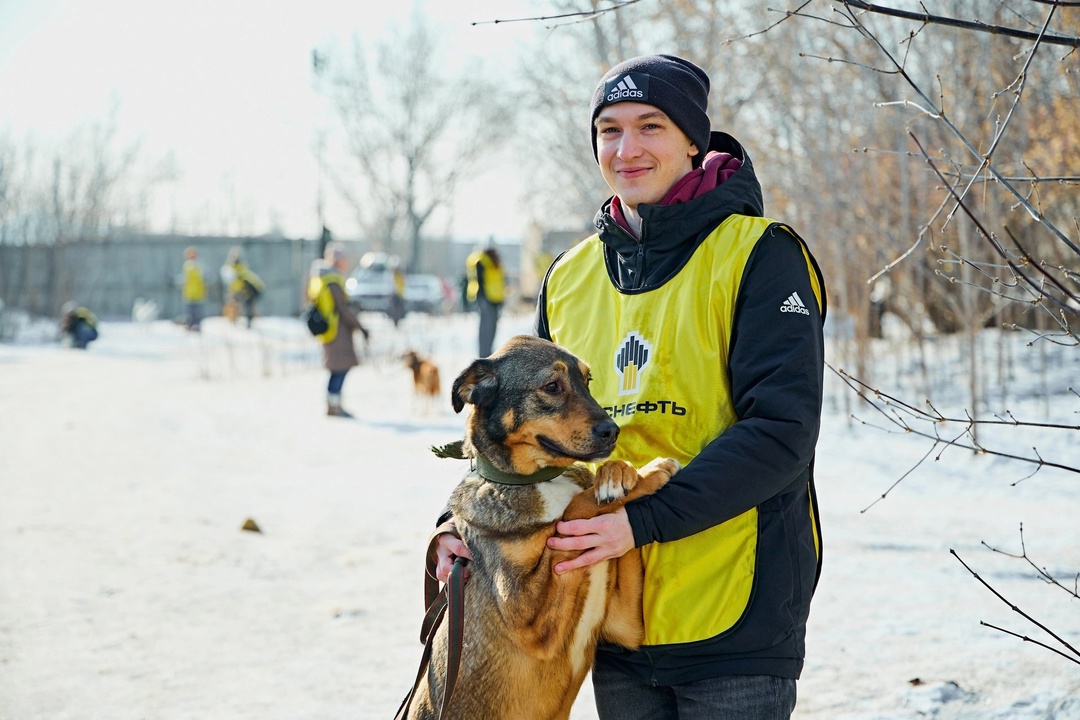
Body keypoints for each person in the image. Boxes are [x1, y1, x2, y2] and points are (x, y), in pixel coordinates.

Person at [434, 54, 827, 718]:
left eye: (651, 126)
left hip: (733, 620)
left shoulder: (761, 255)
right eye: (609, 130)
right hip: (610, 623)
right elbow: (520, 431)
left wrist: (639, 522)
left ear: (692, 140)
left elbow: (781, 434)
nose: (627, 148)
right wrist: (454, 524)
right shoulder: (569, 276)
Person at [308, 242, 368, 418]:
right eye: (343, 258)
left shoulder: (323, 278)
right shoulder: (333, 280)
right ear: (337, 260)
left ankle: (333, 404)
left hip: (331, 330)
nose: (346, 262)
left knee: (337, 368)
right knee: (340, 368)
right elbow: (343, 309)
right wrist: (360, 327)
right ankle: (334, 406)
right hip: (337, 331)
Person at [464, 241, 506, 358]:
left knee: (492, 326)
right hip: (485, 298)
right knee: (486, 327)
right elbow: (480, 280)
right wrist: (483, 296)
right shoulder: (480, 260)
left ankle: (489, 352)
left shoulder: (494, 260)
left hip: (495, 298)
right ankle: (484, 354)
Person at [223, 246, 265, 328]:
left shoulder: (240, 271)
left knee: (248, 305)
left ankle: (249, 321)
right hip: (245, 290)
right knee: (239, 304)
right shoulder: (234, 269)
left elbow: (244, 285)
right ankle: (236, 320)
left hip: (251, 290)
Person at [180, 246, 207, 332]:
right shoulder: (186, 265)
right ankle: (189, 325)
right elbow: (183, 278)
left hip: (198, 292)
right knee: (189, 312)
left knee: (197, 311)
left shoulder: (200, 265)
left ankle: (197, 325)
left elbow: (207, 277)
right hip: (189, 293)